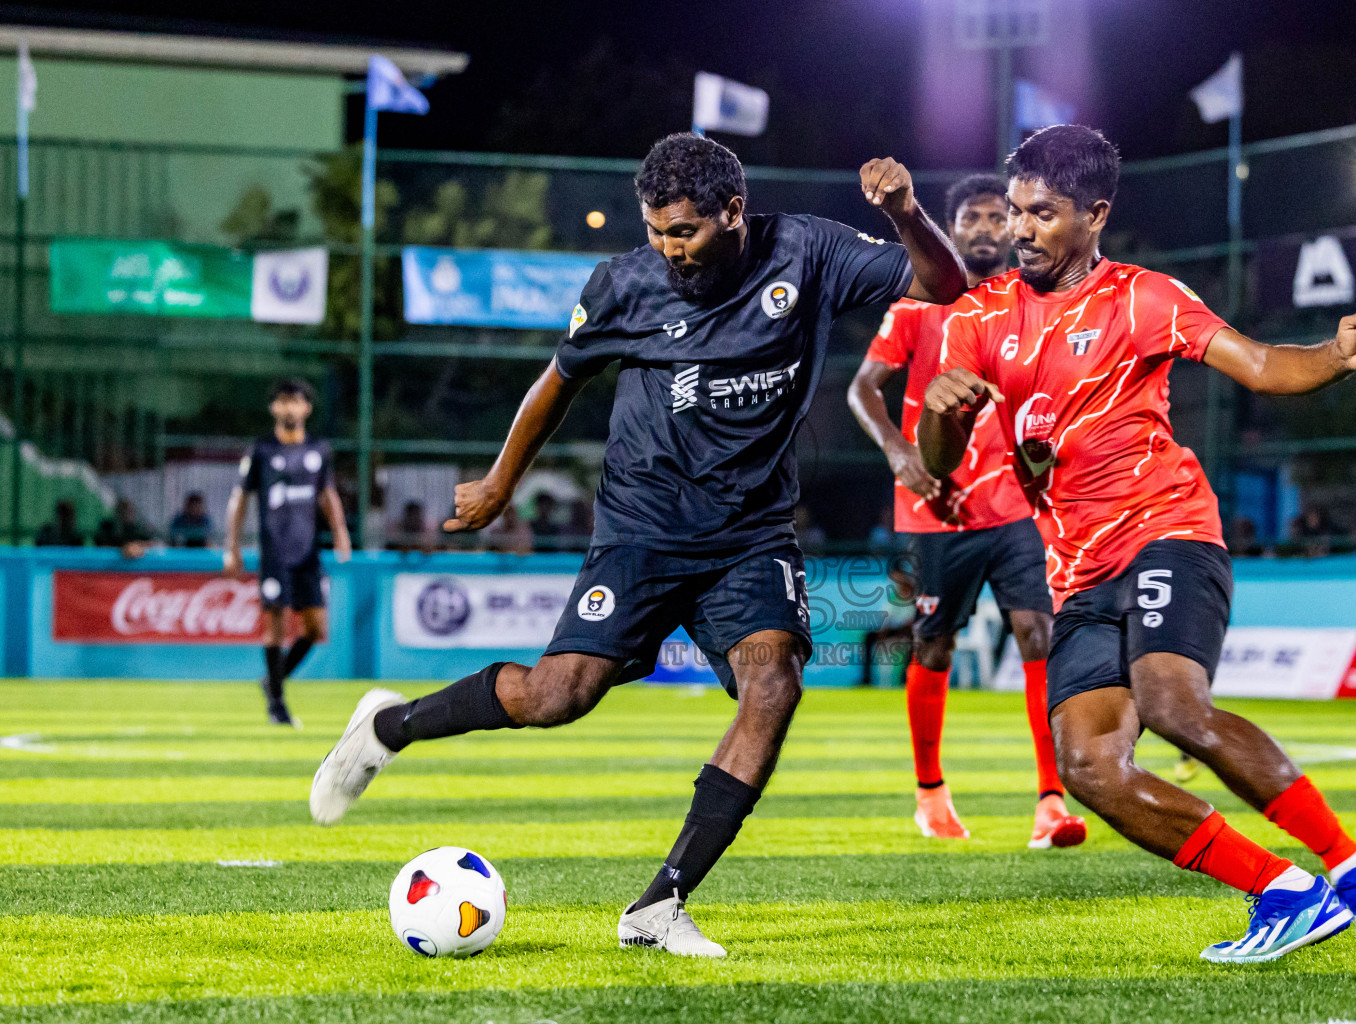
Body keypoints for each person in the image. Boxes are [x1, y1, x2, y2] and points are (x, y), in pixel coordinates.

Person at [308, 132, 966, 958]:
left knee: (774, 686)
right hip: (642, 528)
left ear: (734, 211)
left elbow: (945, 284)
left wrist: (905, 212)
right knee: (559, 696)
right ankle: (387, 728)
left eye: (684, 231)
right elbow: (559, 381)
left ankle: (660, 905)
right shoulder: (624, 285)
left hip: (750, 534)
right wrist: (501, 481)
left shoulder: (808, 252)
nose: (669, 249)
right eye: (655, 230)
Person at [920, 125, 1356, 963]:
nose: (1021, 229)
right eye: (1015, 212)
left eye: (1043, 213)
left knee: (1173, 707)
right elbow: (938, 468)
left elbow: (1260, 365)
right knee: (1088, 765)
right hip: (1079, 573)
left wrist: (1333, 356)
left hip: (1169, 533)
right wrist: (938, 412)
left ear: (1094, 215)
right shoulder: (979, 318)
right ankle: (1286, 893)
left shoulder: (1144, 298)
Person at [847, 173, 1082, 849]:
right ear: (950, 229)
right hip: (938, 509)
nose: (983, 228)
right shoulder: (919, 304)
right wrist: (898, 453)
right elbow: (863, 388)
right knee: (933, 644)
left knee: (1040, 631)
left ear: (1011, 227)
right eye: (970, 219)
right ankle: (930, 793)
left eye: (993, 217)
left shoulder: (1032, 303)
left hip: (1014, 504)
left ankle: (1051, 802)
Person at [224, 378, 352, 727]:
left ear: (307, 408)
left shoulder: (319, 450)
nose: (289, 407)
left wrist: (340, 532)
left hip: (308, 552)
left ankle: (272, 680)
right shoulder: (261, 449)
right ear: (274, 408)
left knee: (315, 629)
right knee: (274, 629)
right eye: (282, 401)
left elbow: (327, 494)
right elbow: (240, 499)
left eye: (296, 401)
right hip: (275, 553)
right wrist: (231, 546)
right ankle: (277, 704)